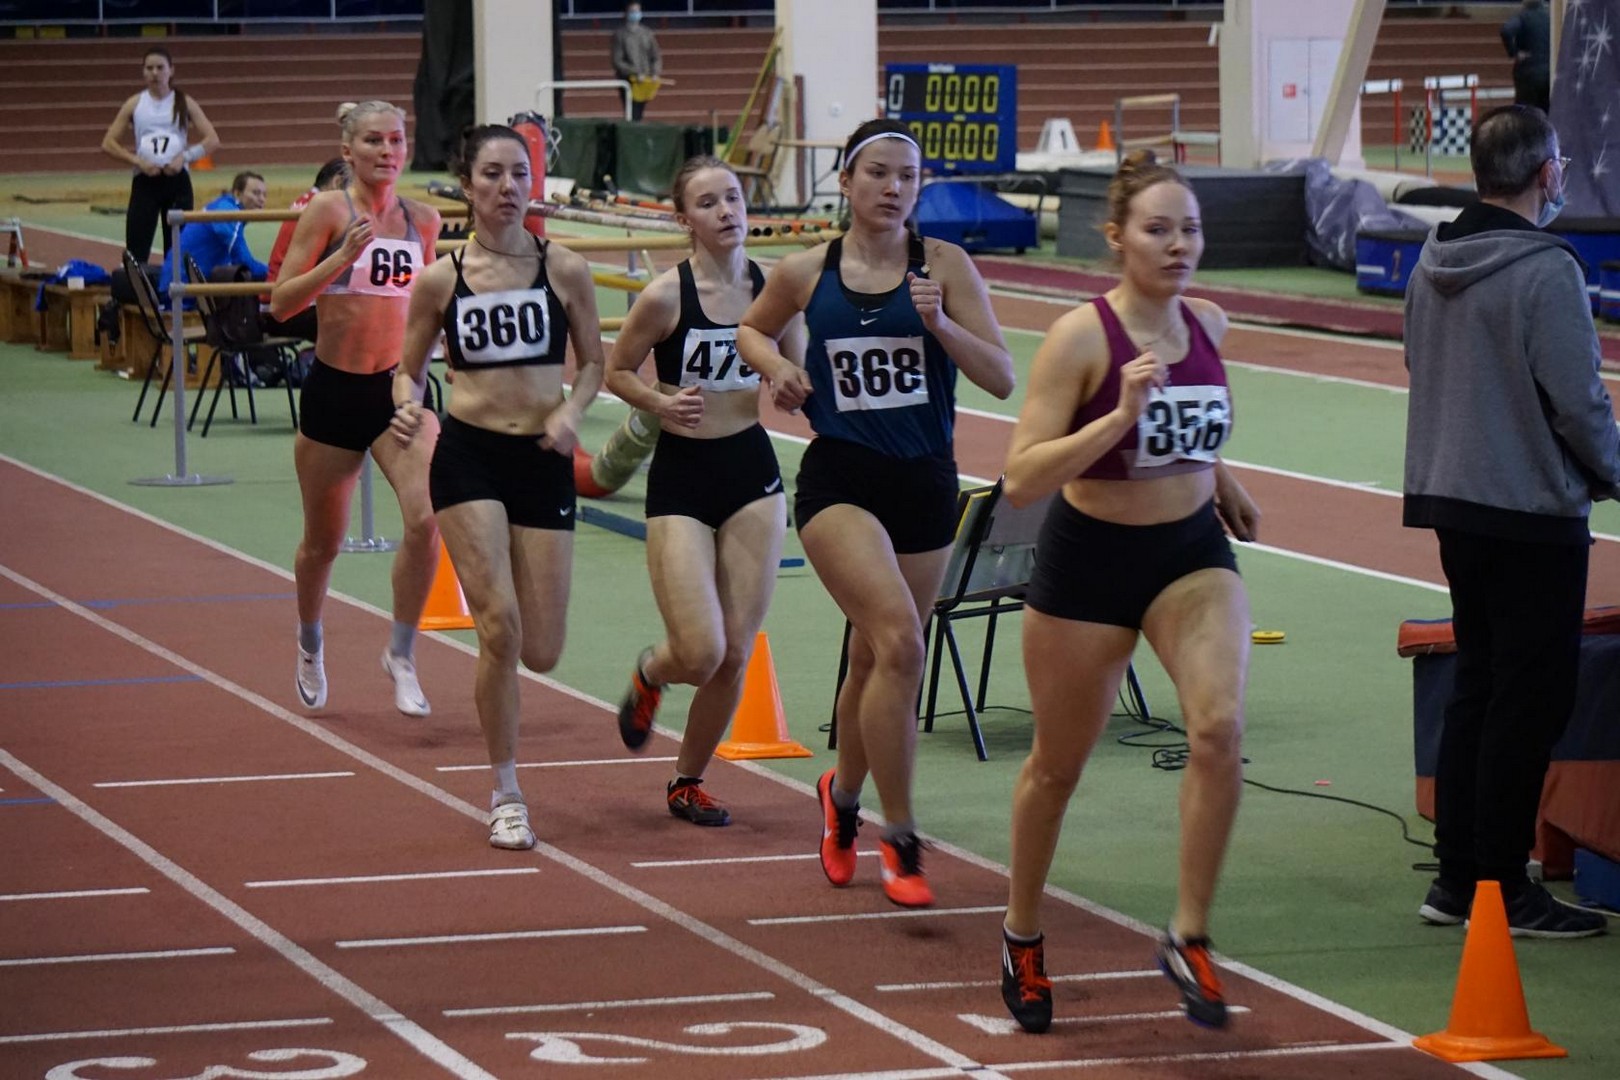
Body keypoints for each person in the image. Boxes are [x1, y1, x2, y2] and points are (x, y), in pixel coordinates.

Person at [996, 149, 1260, 1034]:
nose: (1179, 244)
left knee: (1218, 727)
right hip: (1090, 563)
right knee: (1057, 768)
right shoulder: (1080, 338)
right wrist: (1116, 416)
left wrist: (1220, 477)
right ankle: (1022, 933)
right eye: (1158, 229)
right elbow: (1022, 479)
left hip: (1189, 556)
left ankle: (1189, 934)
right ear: (1116, 237)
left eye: (1191, 228)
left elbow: (1189, 426)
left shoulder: (1210, 324)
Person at [738, 119, 1015, 907]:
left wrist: (941, 324)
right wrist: (778, 368)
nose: (894, 188)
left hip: (923, 483)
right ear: (847, 182)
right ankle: (901, 836)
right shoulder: (807, 269)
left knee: (873, 659)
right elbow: (750, 330)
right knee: (900, 642)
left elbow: (1001, 377)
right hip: (840, 482)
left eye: (908, 177)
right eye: (879, 173)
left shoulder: (945, 267)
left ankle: (843, 798)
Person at [1405, 105, 1615, 940]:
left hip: (1454, 501)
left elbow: (1420, 363)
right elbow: (1578, 401)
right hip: (1530, 511)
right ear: (1546, 173)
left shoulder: (1432, 258)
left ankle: (1458, 879)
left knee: (1480, 685)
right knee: (1528, 702)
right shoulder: (1547, 269)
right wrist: (1612, 472)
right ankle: (1502, 886)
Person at [393, 124, 605, 850]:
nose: (508, 187)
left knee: (541, 649)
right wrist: (405, 403)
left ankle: (507, 776)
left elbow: (595, 363)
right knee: (499, 627)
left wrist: (573, 411)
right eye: (492, 173)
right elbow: (407, 369)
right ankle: (506, 790)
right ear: (467, 185)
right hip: (470, 457)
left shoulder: (565, 268)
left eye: (519, 173)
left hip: (542, 458)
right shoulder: (441, 279)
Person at [607, 156, 803, 826]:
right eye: (709, 202)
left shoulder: (773, 290)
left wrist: (791, 382)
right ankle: (652, 673)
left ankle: (686, 781)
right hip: (683, 477)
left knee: (735, 653)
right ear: (684, 219)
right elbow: (617, 371)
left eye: (735, 198)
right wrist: (659, 404)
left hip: (751, 472)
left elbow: (799, 367)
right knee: (699, 650)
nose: (727, 211)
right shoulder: (666, 295)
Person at [269, 101, 443, 720]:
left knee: (426, 519)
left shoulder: (423, 220)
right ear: (348, 151)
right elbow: (282, 304)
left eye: (396, 140)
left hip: (400, 391)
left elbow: (428, 307)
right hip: (335, 391)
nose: (387, 151)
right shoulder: (327, 211)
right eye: (373, 140)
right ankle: (310, 639)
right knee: (323, 545)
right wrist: (341, 258)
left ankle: (401, 652)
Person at [100, 46, 221, 265]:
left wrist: (184, 158)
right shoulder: (135, 103)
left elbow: (212, 139)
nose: (155, 73)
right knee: (136, 247)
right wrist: (137, 161)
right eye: (149, 68)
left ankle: (173, 286)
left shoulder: (184, 102)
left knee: (176, 249)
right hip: (145, 181)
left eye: (160, 67)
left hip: (177, 183)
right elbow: (108, 143)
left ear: (171, 70)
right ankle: (135, 285)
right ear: (143, 72)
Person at [266, 158, 350, 342]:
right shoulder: (323, 209)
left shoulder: (304, 201)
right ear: (337, 182)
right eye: (354, 190)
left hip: (273, 299)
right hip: (287, 308)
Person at [158, 171, 269, 300]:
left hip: (179, 286)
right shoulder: (228, 213)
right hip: (182, 294)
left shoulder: (222, 206)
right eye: (256, 193)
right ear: (237, 193)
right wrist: (274, 272)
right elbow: (244, 261)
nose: (261, 199)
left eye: (264, 195)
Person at [611, 2, 661, 122]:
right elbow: (617, 61)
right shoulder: (620, 35)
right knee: (632, 111)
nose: (636, 14)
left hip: (645, 80)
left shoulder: (647, 33)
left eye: (638, 11)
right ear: (626, 13)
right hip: (629, 80)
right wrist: (634, 73)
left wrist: (655, 73)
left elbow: (655, 56)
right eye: (632, 11)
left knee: (639, 111)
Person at [1500, 0, 1551, 112]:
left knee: (1525, 112)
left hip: (1527, 72)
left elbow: (1506, 30)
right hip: (1547, 71)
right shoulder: (1549, 19)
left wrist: (1514, 52)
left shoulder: (1522, 17)